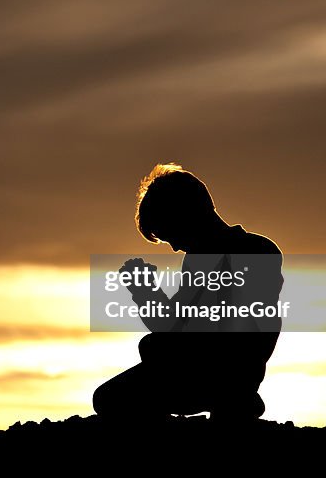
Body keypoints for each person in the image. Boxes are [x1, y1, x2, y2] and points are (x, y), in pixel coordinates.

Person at [93, 163, 284, 422]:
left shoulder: (257, 250)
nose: (173, 247)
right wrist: (144, 291)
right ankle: (230, 403)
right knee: (108, 395)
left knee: (122, 389)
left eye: (169, 233)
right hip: (193, 370)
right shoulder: (197, 261)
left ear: (187, 215)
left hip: (228, 369)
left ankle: (235, 400)